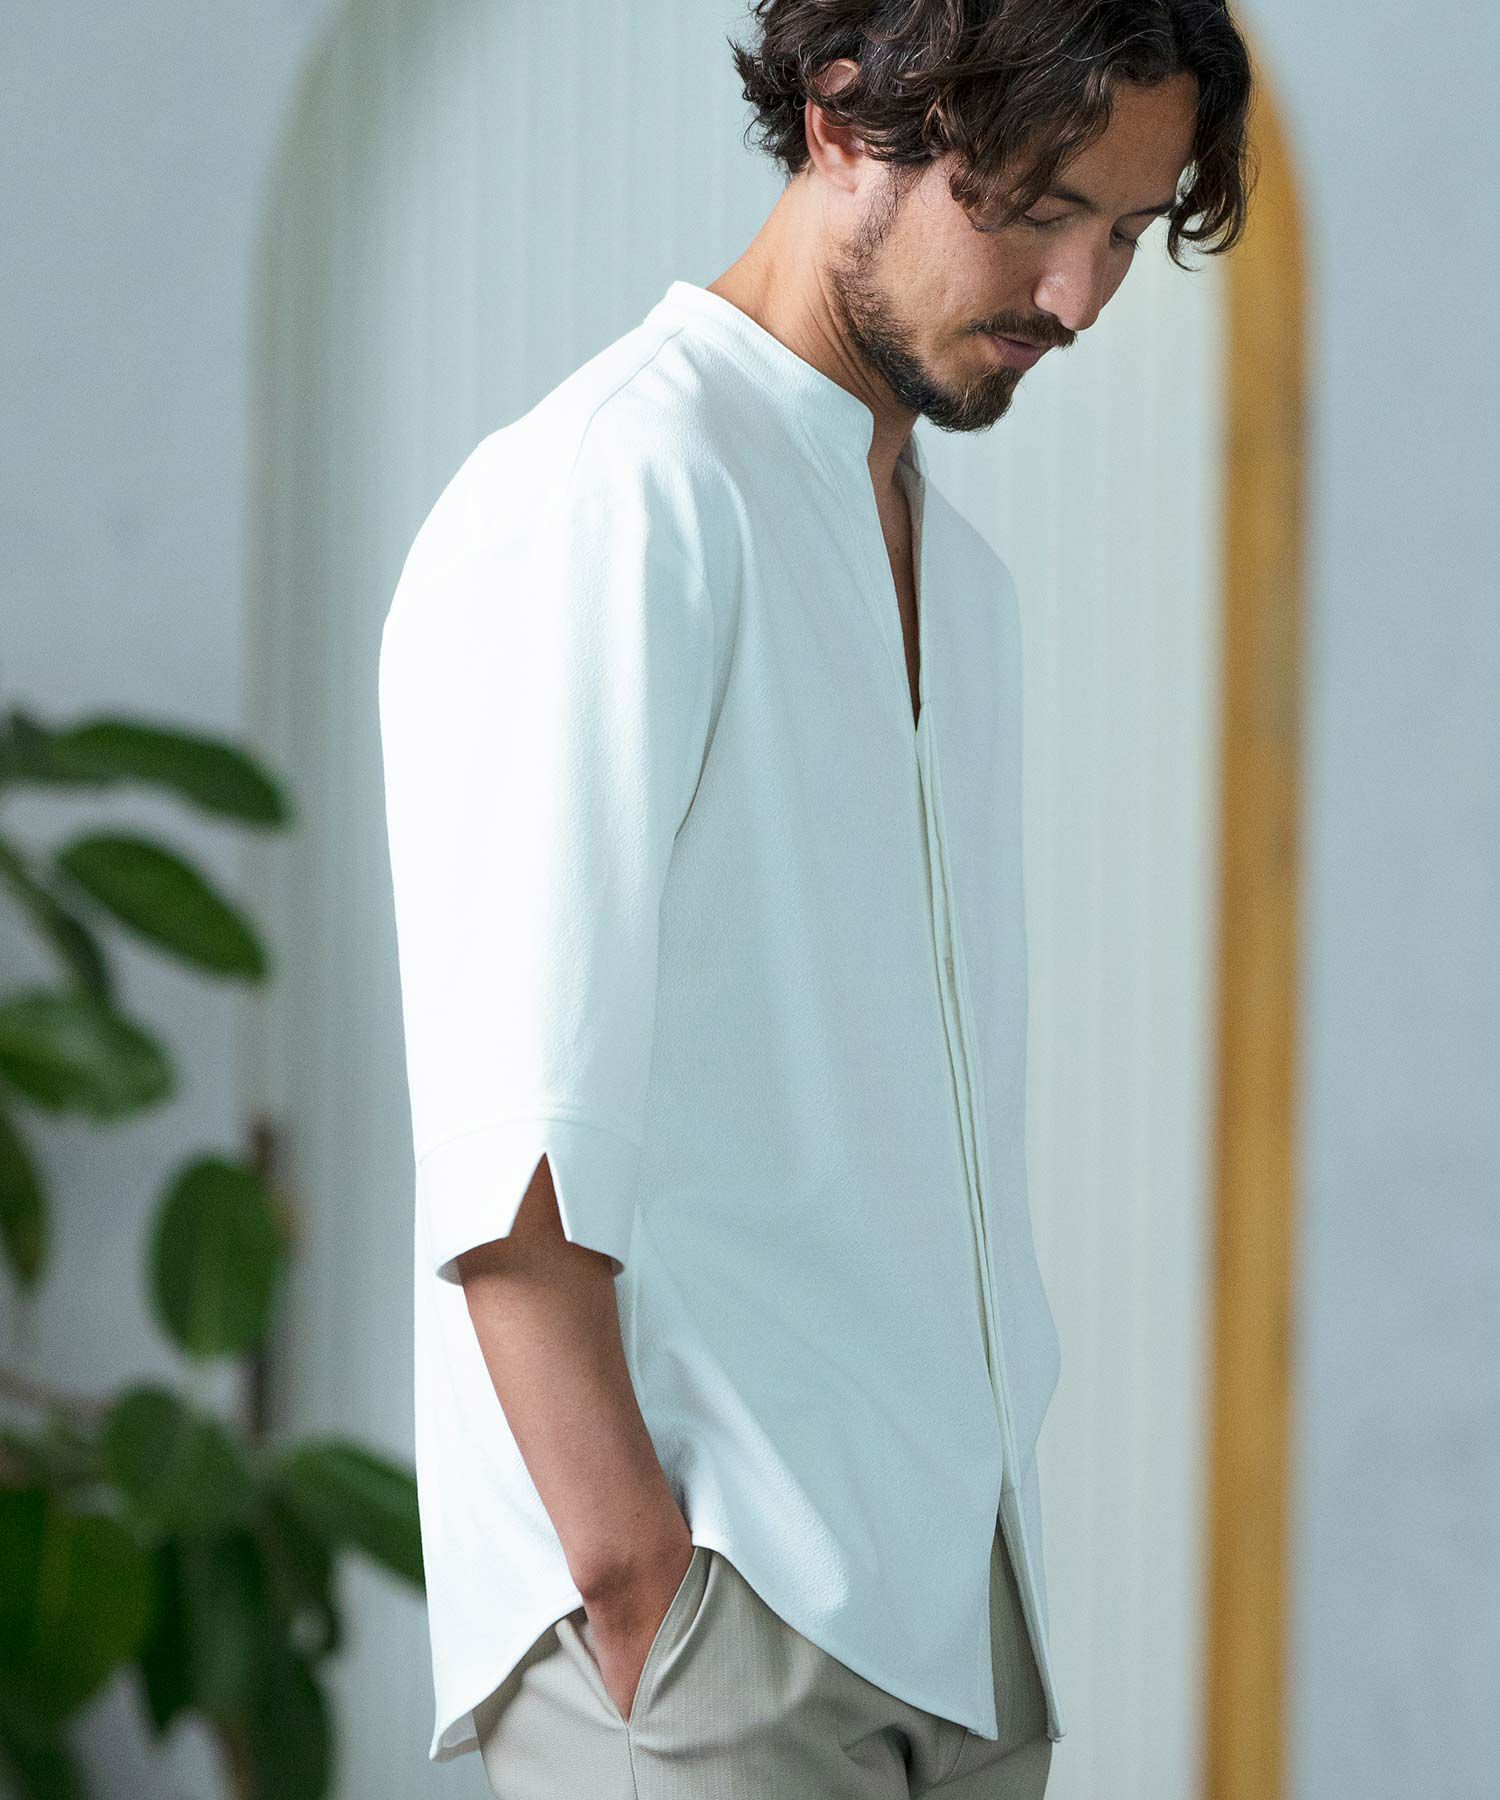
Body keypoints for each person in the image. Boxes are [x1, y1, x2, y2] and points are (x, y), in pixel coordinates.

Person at [377, 2, 1254, 1793]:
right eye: (1039, 209)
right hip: (716, 1624)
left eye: (1123, 231)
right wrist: (643, 1590)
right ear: (848, 112)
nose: (1080, 295)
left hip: (959, 1607)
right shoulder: (616, 494)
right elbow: (511, 1149)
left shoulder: (965, 583)